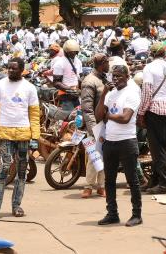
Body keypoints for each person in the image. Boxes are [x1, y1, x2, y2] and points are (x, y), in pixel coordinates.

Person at [0, 57, 40, 218]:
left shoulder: (29, 88)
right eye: (9, 68)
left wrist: (35, 137)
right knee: (4, 168)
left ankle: (16, 206)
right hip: (5, 133)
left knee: (22, 172)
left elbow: (34, 114)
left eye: (14, 68)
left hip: (24, 134)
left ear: (22, 70)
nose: (10, 71)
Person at [96, 64, 142, 227]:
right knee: (110, 180)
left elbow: (125, 118)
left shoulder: (132, 93)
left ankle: (137, 215)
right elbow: (98, 116)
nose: (115, 79)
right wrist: (103, 95)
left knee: (132, 179)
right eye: (113, 76)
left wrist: (108, 115)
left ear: (127, 77)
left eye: (118, 76)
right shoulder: (111, 93)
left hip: (127, 141)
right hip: (110, 141)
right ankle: (112, 213)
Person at [139, 43, 166, 194]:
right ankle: (154, 180)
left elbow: (147, 92)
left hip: (154, 110)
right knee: (161, 148)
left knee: (157, 149)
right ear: (164, 54)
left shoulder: (149, 68)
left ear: (152, 54)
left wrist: (141, 112)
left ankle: (163, 183)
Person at [79, 53, 108, 198]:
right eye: (107, 62)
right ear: (102, 63)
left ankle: (101, 186)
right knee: (93, 156)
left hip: (106, 123)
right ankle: (89, 186)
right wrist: (93, 129)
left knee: (103, 155)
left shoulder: (104, 79)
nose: (109, 65)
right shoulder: (89, 81)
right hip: (94, 125)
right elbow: (87, 108)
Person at [52, 39, 82, 111]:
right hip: (65, 96)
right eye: (71, 52)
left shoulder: (78, 62)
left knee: (78, 117)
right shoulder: (59, 63)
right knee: (68, 117)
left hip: (76, 95)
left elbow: (79, 77)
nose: (73, 54)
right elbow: (56, 82)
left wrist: (81, 88)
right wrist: (69, 89)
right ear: (66, 52)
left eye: (75, 52)